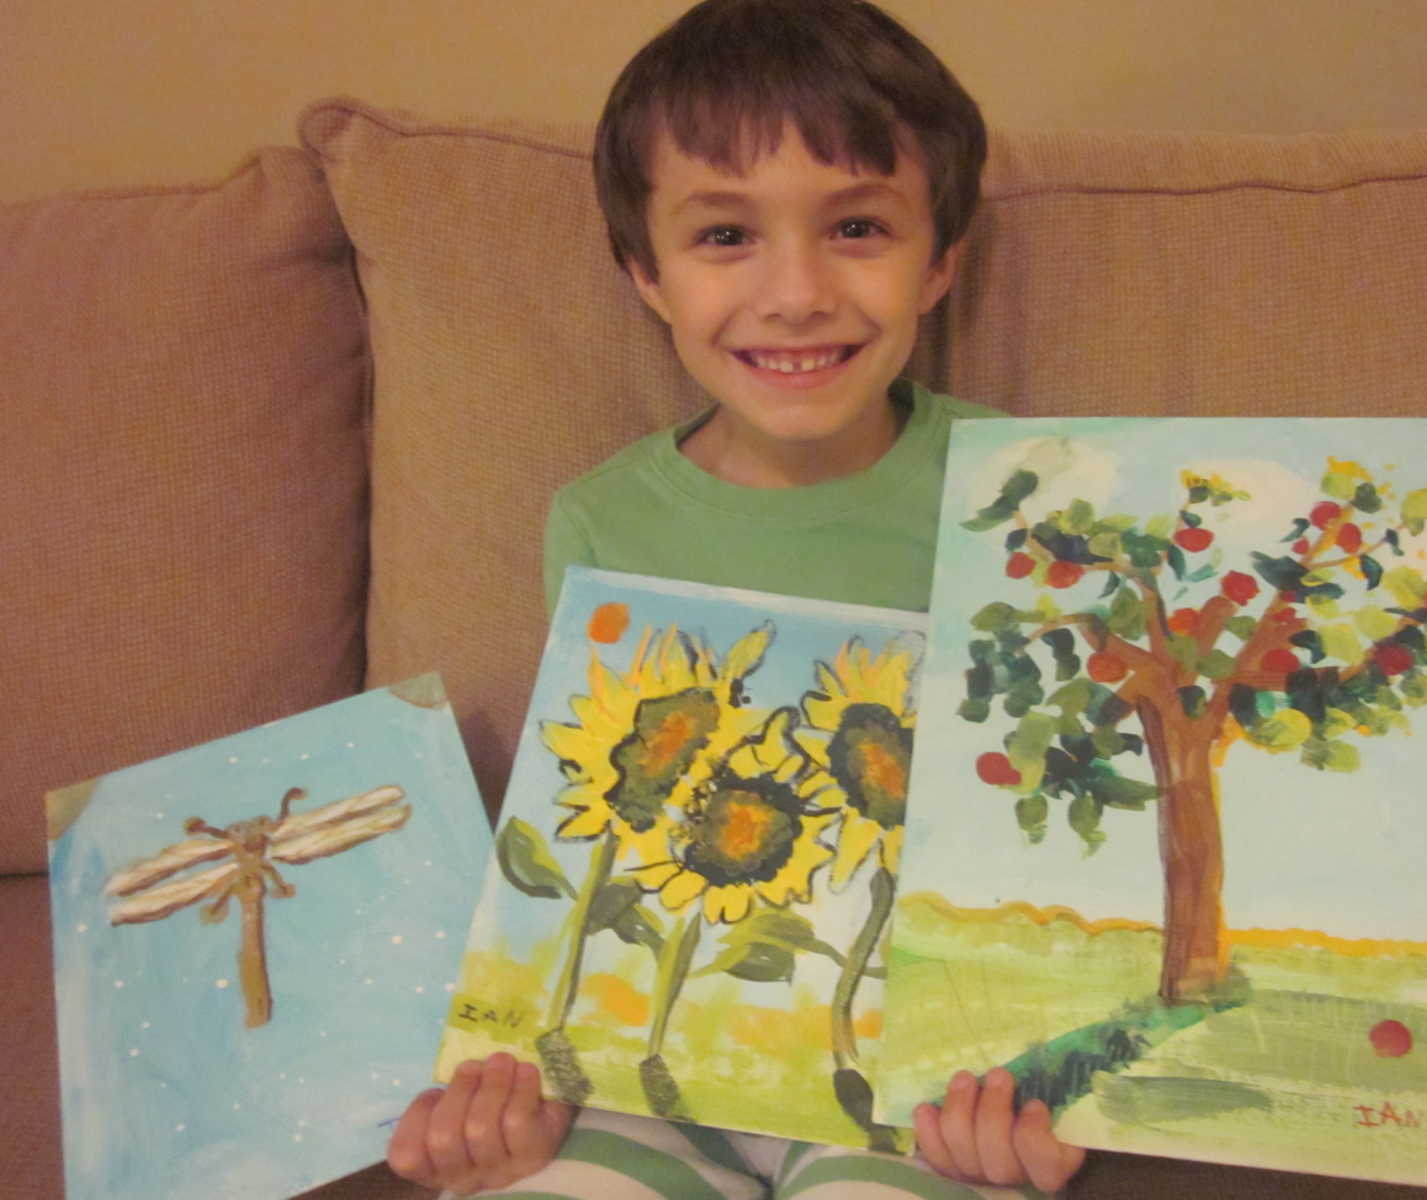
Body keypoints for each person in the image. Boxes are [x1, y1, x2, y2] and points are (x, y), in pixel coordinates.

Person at [388, 1, 1087, 1195]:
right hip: (655, 1060)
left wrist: (1045, 1080)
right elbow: (590, 827)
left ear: (942, 264)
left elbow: (1075, 830)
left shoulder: (1040, 497)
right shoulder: (601, 521)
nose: (797, 292)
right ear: (645, 275)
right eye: (725, 237)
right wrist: (508, 1088)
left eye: (857, 226)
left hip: (921, 1074)